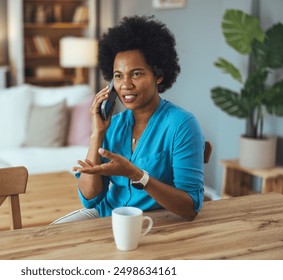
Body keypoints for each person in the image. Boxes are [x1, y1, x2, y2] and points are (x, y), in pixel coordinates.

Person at [52, 15, 205, 224]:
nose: (125, 85)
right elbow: (89, 198)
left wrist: (138, 175)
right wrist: (97, 132)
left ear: (158, 76)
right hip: (107, 217)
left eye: (136, 74)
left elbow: (190, 208)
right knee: (50, 236)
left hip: (152, 223)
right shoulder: (113, 126)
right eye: (118, 75)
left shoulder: (181, 125)